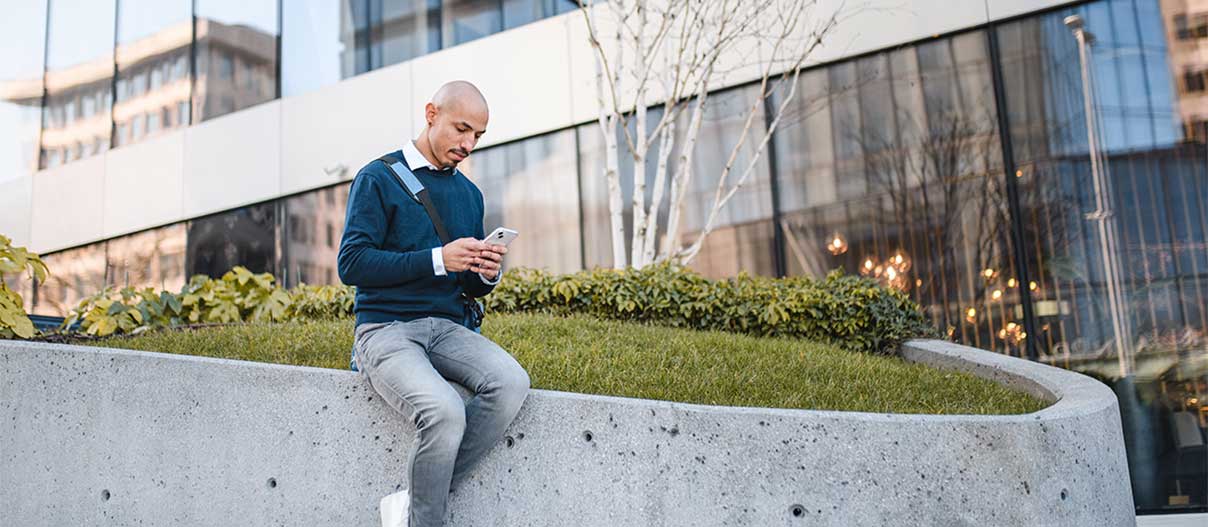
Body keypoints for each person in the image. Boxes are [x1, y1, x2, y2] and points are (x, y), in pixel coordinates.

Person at [337, 80, 530, 527]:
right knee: (442, 411)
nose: (468, 144)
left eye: (478, 136)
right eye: (461, 129)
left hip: (447, 328)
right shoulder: (378, 178)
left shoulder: (469, 195)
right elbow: (353, 263)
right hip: (385, 329)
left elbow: (466, 281)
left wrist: (485, 272)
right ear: (431, 114)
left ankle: (414, 500)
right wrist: (437, 259)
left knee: (511, 383)